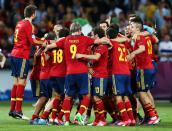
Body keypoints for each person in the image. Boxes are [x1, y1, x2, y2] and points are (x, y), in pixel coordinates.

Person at [44, 22, 111, 126]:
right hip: (82, 71)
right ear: (80, 30)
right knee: (87, 96)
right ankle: (80, 114)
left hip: (69, 72)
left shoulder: (66, 39)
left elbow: (52, 46)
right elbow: (101, 41)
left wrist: (46, 48)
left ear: (71, 30)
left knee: (67, 96)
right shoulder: (85, 39)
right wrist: (109, 42)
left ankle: (66, 120)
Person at [9, 5, 46, 119]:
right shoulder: (29, 25)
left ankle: (12, 109)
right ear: (33, 14)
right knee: (22, 82)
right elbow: (33, 41)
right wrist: (44, 42)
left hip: (14, 54)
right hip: (21, 55)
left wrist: (40, 41)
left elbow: (29, 38)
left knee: (16, 82)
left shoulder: (19, 23)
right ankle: (19, 111)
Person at [128, 17, 159, 125]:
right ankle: (150, 116)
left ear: (137, 29)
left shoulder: (139, 36)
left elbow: (142, 49)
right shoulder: (142, 36)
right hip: (148, 67)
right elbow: (156, 39)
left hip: (144, 68)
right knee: (145, 92)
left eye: (131, 26)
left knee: (141, 93)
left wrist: (132, 54)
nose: (129, 28)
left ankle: (153, 116)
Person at [76, 27, 108, 126]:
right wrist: (89, 66)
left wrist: (81, 55)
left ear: (97, 35)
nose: (91, 36)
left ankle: (102, 120)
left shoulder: (102, 46)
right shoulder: (94, 46)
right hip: (95, 74)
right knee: (94, 99)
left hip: (101, 75)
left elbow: (96, 57)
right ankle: (96, 121)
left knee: (97, 97)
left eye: (93, 34)